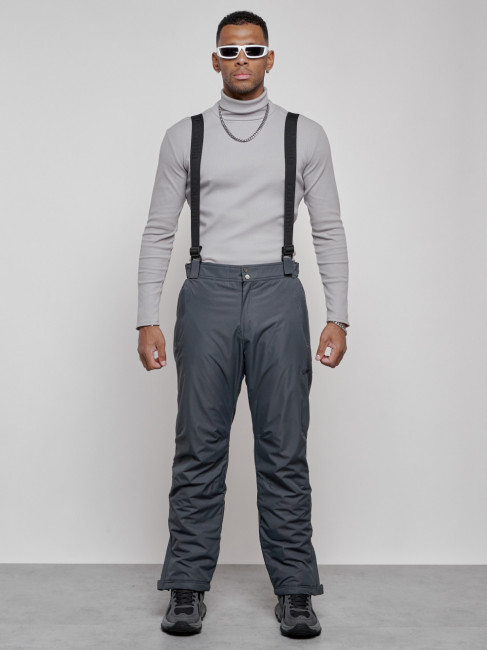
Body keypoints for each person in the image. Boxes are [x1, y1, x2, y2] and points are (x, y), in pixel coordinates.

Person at [136, 10, 350, 639]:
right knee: (199, 446)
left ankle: (295, 591)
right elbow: (159, 230)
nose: (241, 60)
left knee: (284, 448)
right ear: (215, 60)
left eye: (252, 49)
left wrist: (338, 313)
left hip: (279, 294)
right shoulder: (185, 135)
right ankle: (185, 587)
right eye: (229, 51)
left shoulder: (304, 135)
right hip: (207, 292)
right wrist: (146, 318)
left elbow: (328, 229)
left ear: (270, 57)